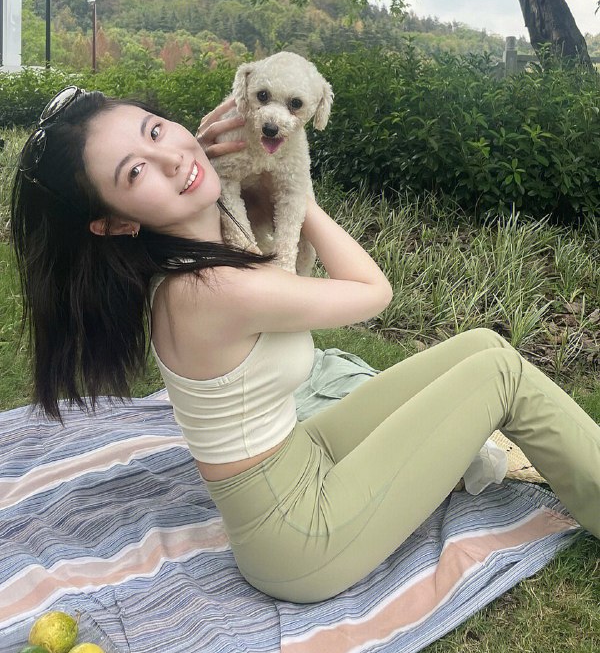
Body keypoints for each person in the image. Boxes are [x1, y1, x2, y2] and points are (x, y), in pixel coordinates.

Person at [11, 86, 600, 604]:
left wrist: (228, 155)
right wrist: (301, 194)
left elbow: (221, 174)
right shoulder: (215, 291)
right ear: (115, 224)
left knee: (481, 346)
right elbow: (373, 292)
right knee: (500, 376)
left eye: (155, 130)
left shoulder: (198, 249)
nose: (171, 159)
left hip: (305, 454)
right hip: (300, 540)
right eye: (135, 172)